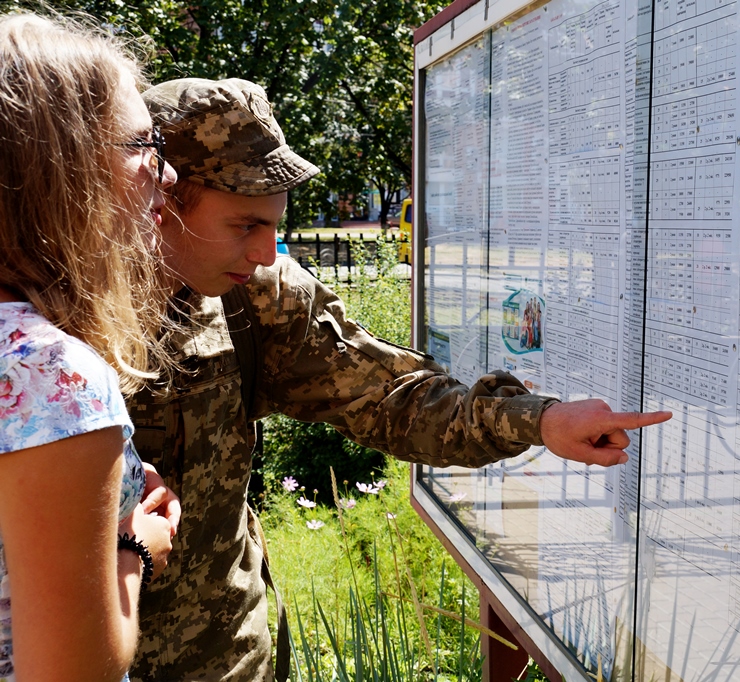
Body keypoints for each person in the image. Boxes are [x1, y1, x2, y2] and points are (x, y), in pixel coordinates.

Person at [129, 77, 671, 681]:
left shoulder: (259, 299)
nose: (265, 251)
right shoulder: (55, 321)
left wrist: (539, 420)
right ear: (159, 197)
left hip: (230, 660)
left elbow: (391, 396)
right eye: (244, 225)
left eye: (273, 225)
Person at [0, 11, 181, 681]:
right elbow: (74, 671)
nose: (167, 174)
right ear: (60, 167)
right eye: (143, 144)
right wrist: (136, 545)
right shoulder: (52, 376)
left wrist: (112, 478)